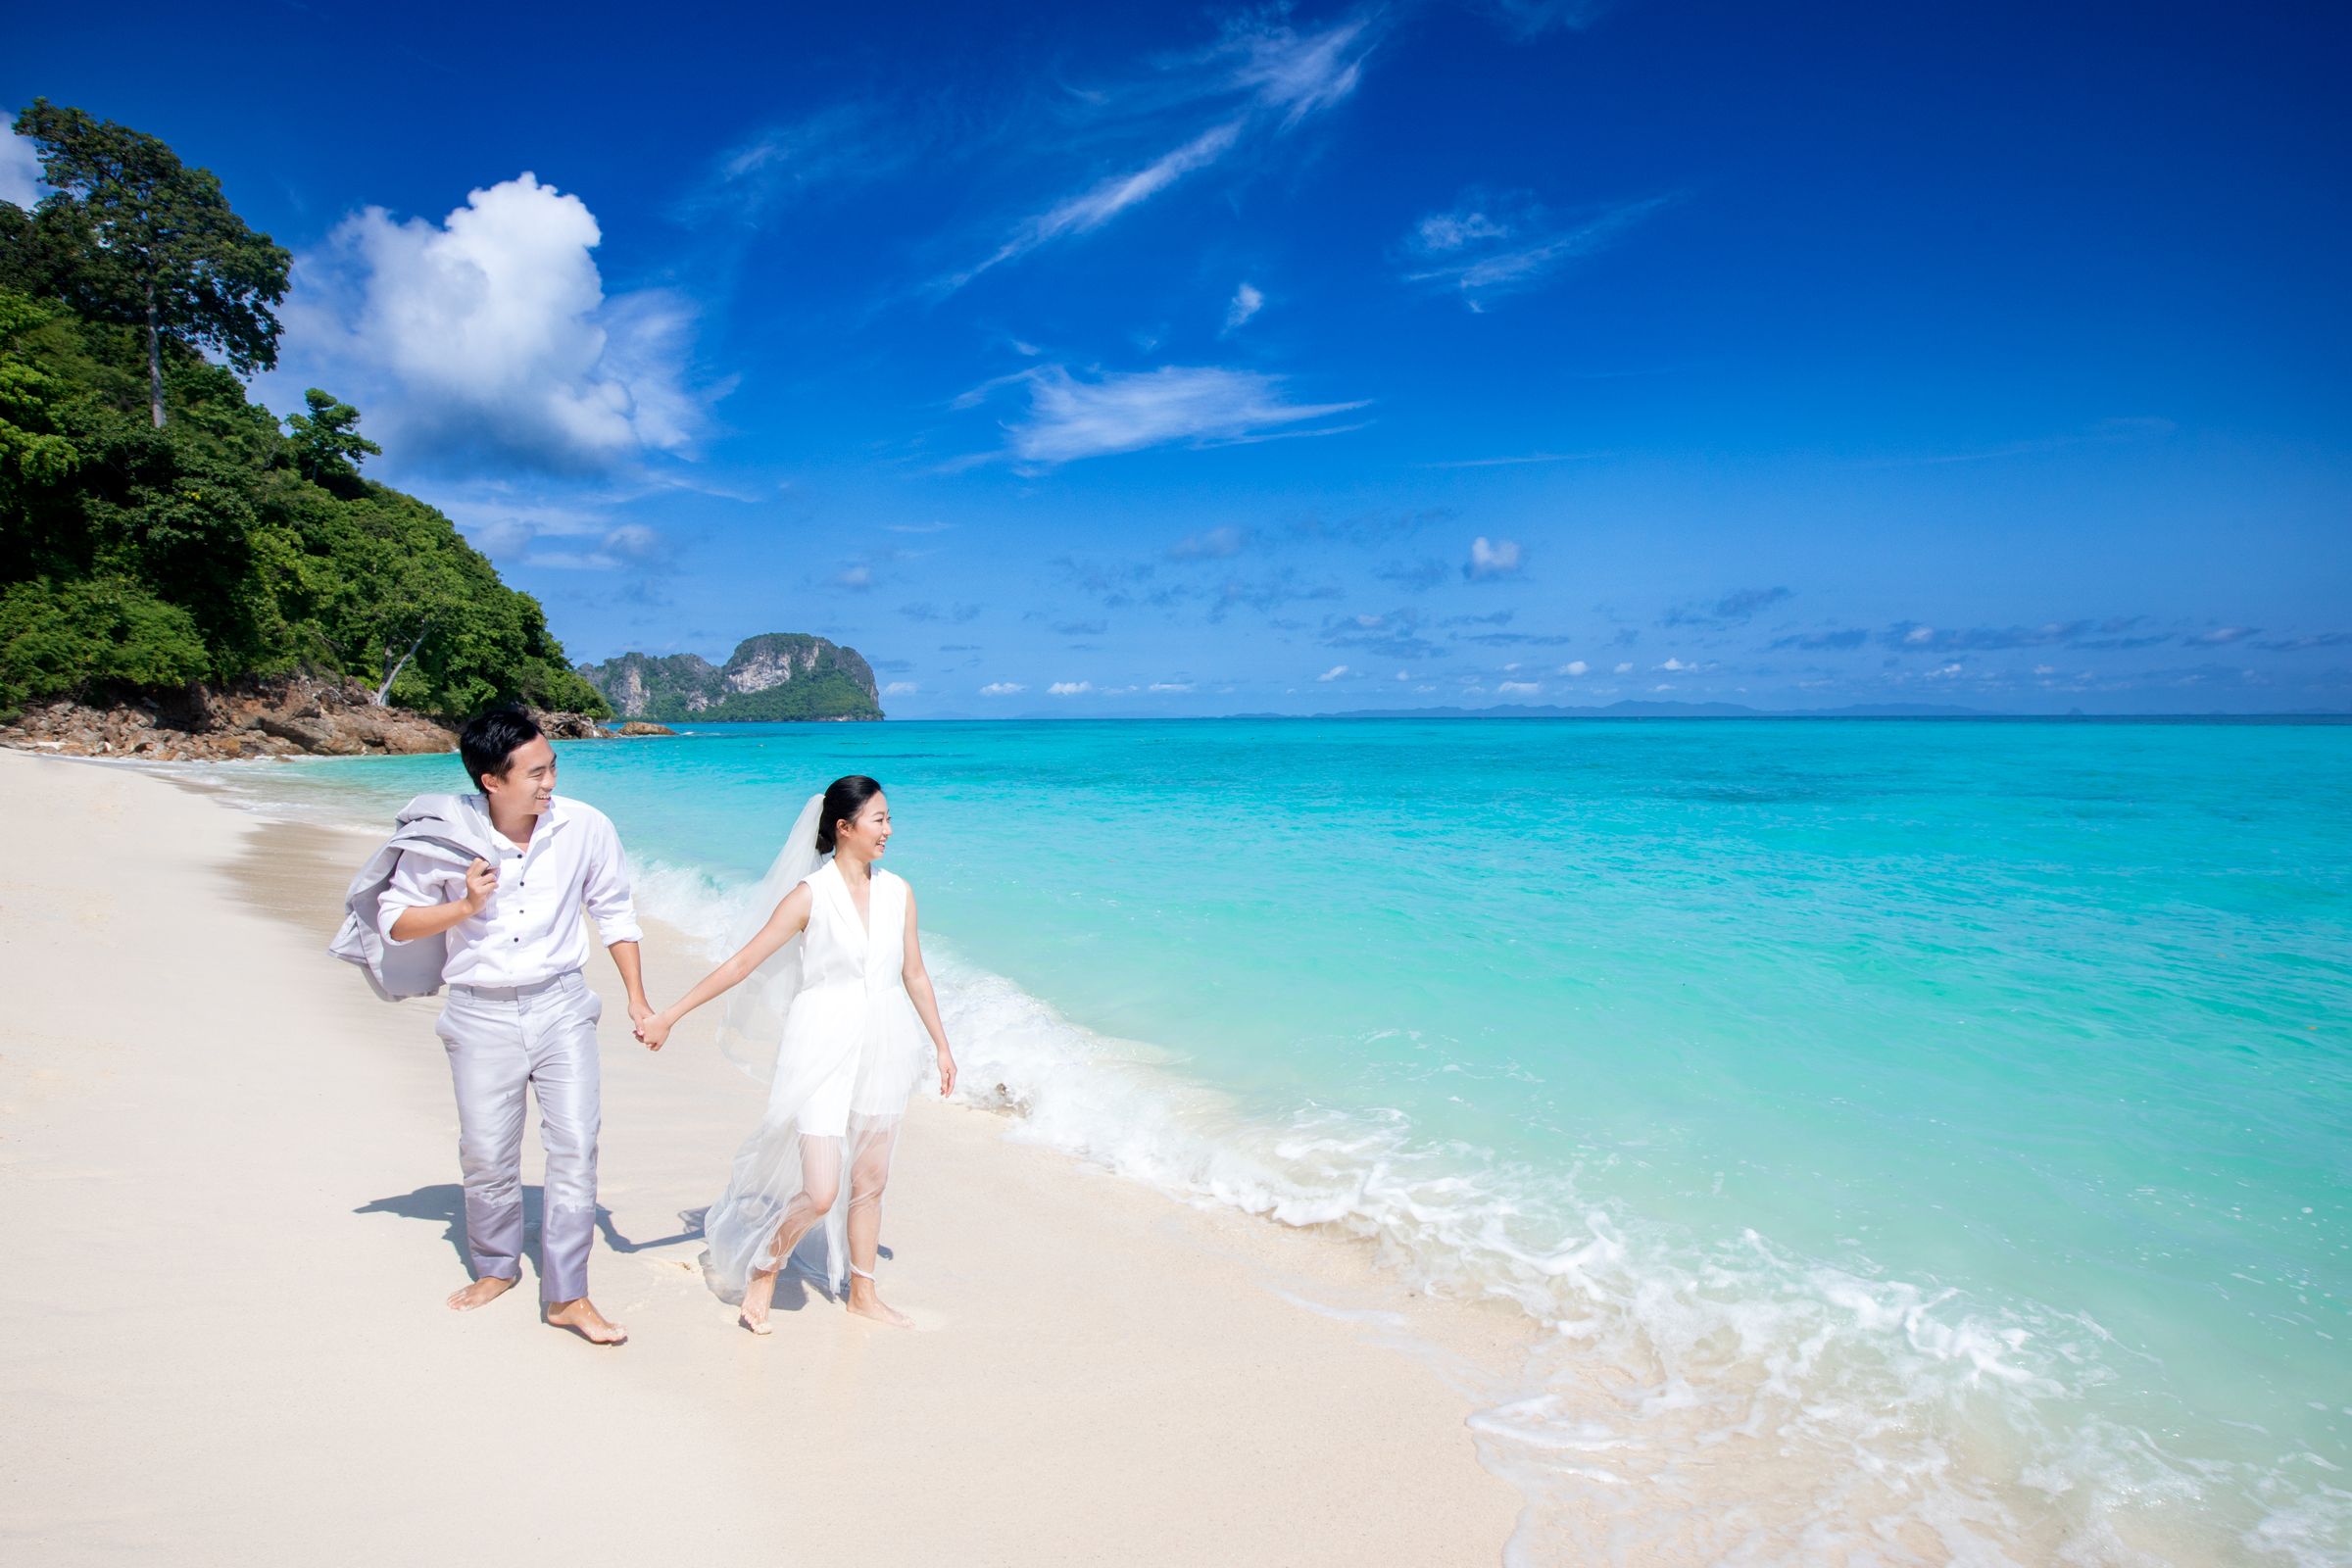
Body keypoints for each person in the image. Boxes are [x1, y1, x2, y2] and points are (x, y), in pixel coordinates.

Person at [348, 710, 651, 1345]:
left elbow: (615, 912)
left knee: (575, 1148)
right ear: (491, 780)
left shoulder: (586, 827)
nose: (550, 782)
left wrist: (637, 1001)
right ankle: (495, 1265)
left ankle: (568, 1295)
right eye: (536, 772)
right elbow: (395, 921)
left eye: (552, 767)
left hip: (563, 1005)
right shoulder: (446, 834)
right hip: (479, 1011)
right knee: (487, 1154)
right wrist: (464, 906)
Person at [635, 775, 956, 1334]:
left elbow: (915, 974)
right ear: (843, 827)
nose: (888, 829)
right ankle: (766, 1265)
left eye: (888, 818)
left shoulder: (899, 891)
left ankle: (863, 1293)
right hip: (820, 1044)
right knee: (821, 1190)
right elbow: (740, 965)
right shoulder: (811, 895)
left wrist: (943, 1045)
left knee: (872, 1180)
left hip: (884, 1040)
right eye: (878, 818)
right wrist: (669, 1014)